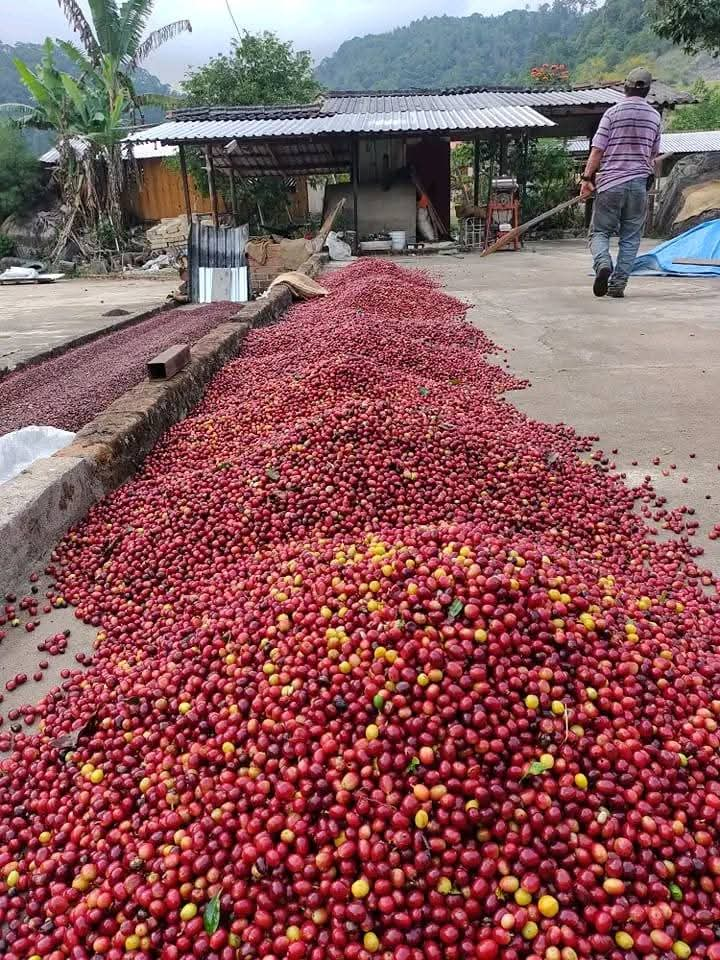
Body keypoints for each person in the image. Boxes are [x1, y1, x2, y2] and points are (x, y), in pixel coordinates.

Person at [580, 67, 662, 298]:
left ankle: (603, 264)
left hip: (611, 183)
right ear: (647, 90)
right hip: (638, 185)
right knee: (631, 237)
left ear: (625, 87)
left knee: (599, 233)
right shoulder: (655, 116)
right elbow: (653, 154)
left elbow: (598, 150)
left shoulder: (612, 114)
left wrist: (587, 179)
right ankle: (617, 285)